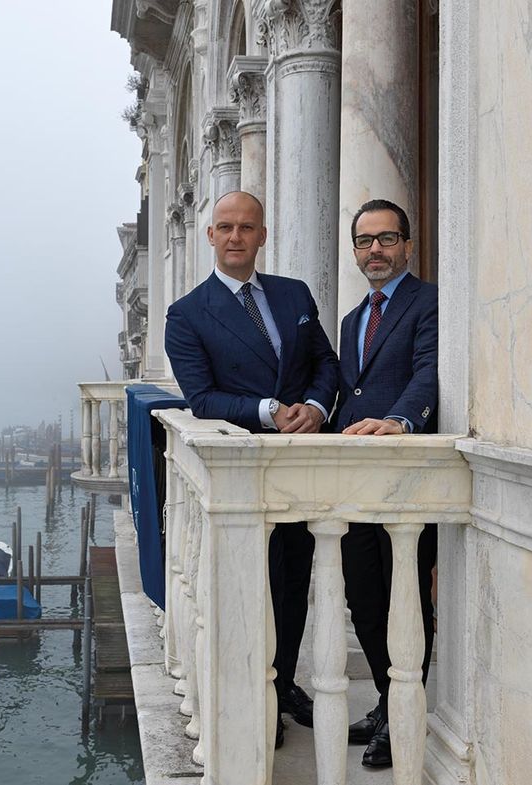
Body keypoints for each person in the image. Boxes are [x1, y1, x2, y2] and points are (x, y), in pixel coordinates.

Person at [164, 190, 339, 749]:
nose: (235, 236)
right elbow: (202, 398)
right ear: (210, 236)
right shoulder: (187, 314)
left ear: (262, 235)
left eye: (246, 227)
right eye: (225, 227)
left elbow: (326, 364)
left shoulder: (294, 295)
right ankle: (257, 691)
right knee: (248, 585)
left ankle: (284, 682)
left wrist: (315, 407)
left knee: (293, 582)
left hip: (302, 462)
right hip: (242, 472)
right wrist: (268, 411)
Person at [333, 198, 438, 769]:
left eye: (387, 238)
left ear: (407, 245)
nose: (376, 249)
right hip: (356, 480)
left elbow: (429, 370)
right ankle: (385, 695)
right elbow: (350, 392)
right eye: (365, 240)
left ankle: (404, 713)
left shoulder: (430, 302)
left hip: (405, 477)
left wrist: (400, 420)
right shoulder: (352, 321)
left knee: (406, 600)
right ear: (355, 250)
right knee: (364, 597)